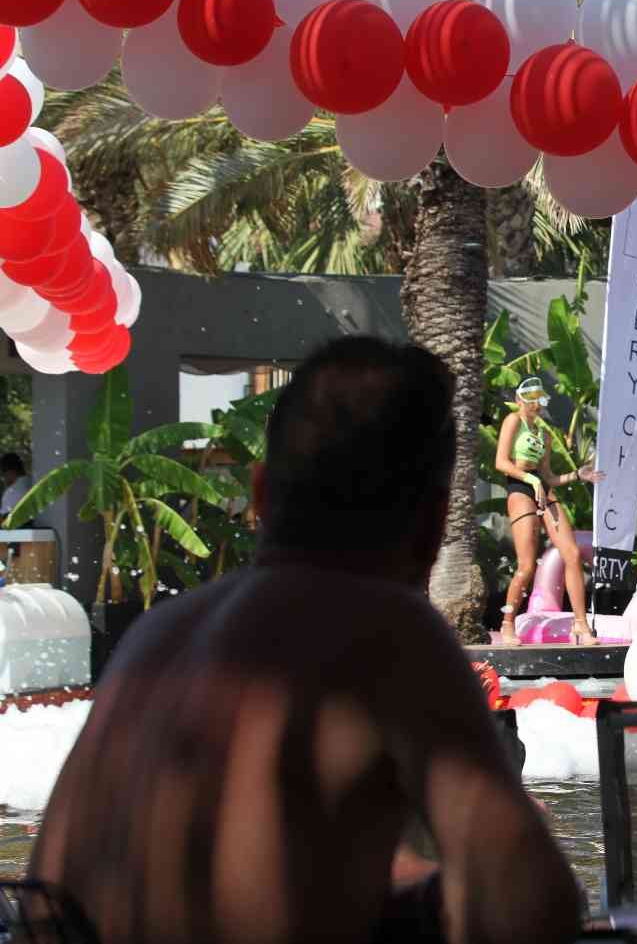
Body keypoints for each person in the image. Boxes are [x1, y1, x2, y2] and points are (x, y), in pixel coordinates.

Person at [25, 336, 581, 944]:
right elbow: (539, 902)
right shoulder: (390, 631)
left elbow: (47, 899)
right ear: (431, 523)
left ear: (260, 494)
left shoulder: (155, 634)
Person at [494, 377, 602, 646]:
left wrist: (577, 474)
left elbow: (548, 476)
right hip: (520, 488)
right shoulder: (513, 421)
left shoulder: (544, 435)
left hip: (542, 488)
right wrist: (530, 480)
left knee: (572, 554)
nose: (536, 405)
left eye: (539, 400)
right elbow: (501, 462)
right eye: (530, 400)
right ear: (519, 400)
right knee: (527, 565)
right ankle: (507, 624)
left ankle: (581, 625)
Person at [1, 451, 31, 522]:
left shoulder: (11, 492)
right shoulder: (33, 482)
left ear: (9, 472)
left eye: (2, 474)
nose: (3, 478)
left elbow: (3, 520)